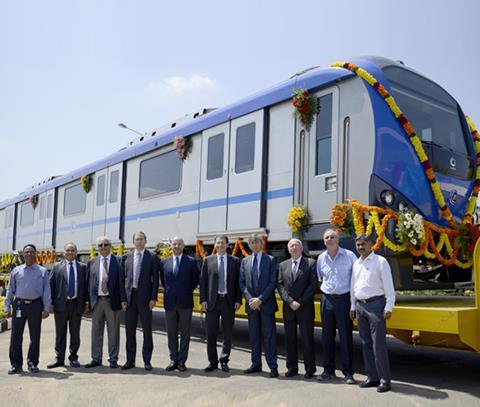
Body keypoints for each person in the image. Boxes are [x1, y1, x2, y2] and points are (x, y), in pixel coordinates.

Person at [350, 234, 396, 393]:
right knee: (366, 344)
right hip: (360, 307)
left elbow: (389, 287)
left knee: (379, 345)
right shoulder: (356, 264)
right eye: (358, 245)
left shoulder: (380, 262)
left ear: (371, 245)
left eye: (363, 244)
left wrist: (389, 307)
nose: (361, 247)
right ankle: (372, 377)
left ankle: (385, 380)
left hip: (376, 306)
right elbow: (353, 286)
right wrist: (353, 306)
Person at [316, 229, 357, 384]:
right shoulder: (321, 258)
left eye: (332, 237)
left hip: (344, 299)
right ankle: (328, 370)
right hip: (327, 300)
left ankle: (348, 373)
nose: (330, 239)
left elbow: (355, 279)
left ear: (338, 240)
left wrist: (353, 303)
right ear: (324, 241)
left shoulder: (349, 256)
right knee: (327, 337)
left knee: (346, 337)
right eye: (327, 237)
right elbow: (321, 278)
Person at [4, 244, 51, 374]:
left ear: (35, 254)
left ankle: (32, 363)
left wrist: (46, 307)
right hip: (19, 305)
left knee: (35, 336)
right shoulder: (16, 271)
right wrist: (7, 307)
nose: (29, 254)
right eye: (27, 252)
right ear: (23, 254)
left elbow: (46, 290)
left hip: (35, 305)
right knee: (16, 336)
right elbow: (10, 291)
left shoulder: (42, 271)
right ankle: (16, 364)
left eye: (31, 252)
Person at [200, 235, 241, 373]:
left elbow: (238, 283)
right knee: (210, 333)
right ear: (215, 245)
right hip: (212, 302)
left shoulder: (235, 261)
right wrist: (203, 300)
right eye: (218, 243)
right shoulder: (208, 260)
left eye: (223, 243)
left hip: (228, 302)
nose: (220, 245)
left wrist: (238, 300)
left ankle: (224, 360)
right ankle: (212, 362)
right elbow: (203, 282)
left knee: (227, 333)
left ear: (228, 245)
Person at [239, 234, 279, 378]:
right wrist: (251, 299)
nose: (255, 245)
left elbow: (273, 282)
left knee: (269, 336)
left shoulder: (270, 260)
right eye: (252, 243)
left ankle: (273, 366)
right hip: (252, 305)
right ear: (249, 245)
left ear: (261, 244)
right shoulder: (245, 261)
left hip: (266, 304)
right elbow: (242, 283)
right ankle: (256, 364)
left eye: (257, 242)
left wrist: (260, 299)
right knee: (254, 336)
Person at [277, 238, 317, 379]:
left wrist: (299, 302)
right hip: (289, 309)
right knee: (290, 340)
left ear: (301, 248)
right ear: (288, 249)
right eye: (291, 246)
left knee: (307, 340)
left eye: (296, 245)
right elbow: (280, 286)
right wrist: (289, 301)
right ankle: (292, 368)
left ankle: (310, 369)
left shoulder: (311, 263)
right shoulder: (282, 265)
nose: (294, 248)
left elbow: (313, 285)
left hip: (304, 308)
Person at [120, 232, 159, 371]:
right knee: (130, 331)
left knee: (147, 331)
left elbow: (155, 280)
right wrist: (123, 299)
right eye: (137, 239)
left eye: (141, 239)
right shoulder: (126, 258)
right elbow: (122, 280)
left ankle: (147, 361)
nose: (139, 242)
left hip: (145, 299)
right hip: (130, 299)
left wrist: (153, 298)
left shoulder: (152, 257)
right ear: (133, 242)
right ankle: (130, 361)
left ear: (145, 241)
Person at [160, 236, 199, 372]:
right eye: (174, 244)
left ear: (183, 246)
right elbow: (164, 282)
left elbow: (195, 280)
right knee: (171, 332)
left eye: (179, 244)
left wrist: (186, 291)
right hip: (170, 302)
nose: (176, 246)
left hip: (185, 301)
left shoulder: (191, 262)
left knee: (185, 333)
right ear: (171, 246)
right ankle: (173, 359)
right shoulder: (164, 262)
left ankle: (182, 361)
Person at [47, 242, 88, 368]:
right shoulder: (56, 267)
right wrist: (51, 303)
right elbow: (51, 286)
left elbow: (85, 287)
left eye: (73, 250)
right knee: (60, 333)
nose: (70, 252)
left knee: (75, 333)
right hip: (60, 306)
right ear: (63, 252)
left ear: (76, 253)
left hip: (76, 304)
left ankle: (73, 358)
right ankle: (59, 358)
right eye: (68, 250)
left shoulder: (83, 267)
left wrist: (86, 303)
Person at [85, 236, 122, 369]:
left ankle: (113, 359)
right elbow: (88, 283)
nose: (103, 247)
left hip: (112, 301)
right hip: (97, 301)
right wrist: (88, 301)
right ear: (97, 248)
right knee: (96, 331)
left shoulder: (119, 261)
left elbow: (122, 283)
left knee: (113, 332)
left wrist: (123, 300)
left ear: (110, 246)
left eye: (106, 244)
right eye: (100, 245)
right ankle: (96, 358)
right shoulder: (92, 262)